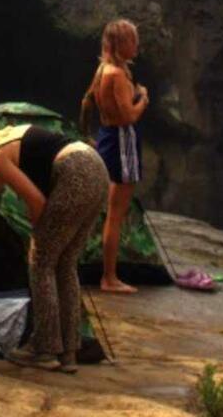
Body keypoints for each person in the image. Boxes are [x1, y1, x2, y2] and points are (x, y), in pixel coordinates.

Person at [0, 114, 108, 373]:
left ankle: (43, 349)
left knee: (41, 261)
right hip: (96, 169)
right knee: (65, 264)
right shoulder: (10, 136)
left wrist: (39, 232)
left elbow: (36, 202)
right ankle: (69, 352)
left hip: (75, 173)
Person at [80, 18, 149, 294]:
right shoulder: (117, 76)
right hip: (122, 140)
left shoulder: (102, 70)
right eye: (133, 40)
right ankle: (109, 278)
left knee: (108, 210)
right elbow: (129, 116)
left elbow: (91, 104)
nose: (137, 45)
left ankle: (105, 272)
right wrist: (143, 97)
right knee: (116, 214)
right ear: (121, 44)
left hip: (106, 136)